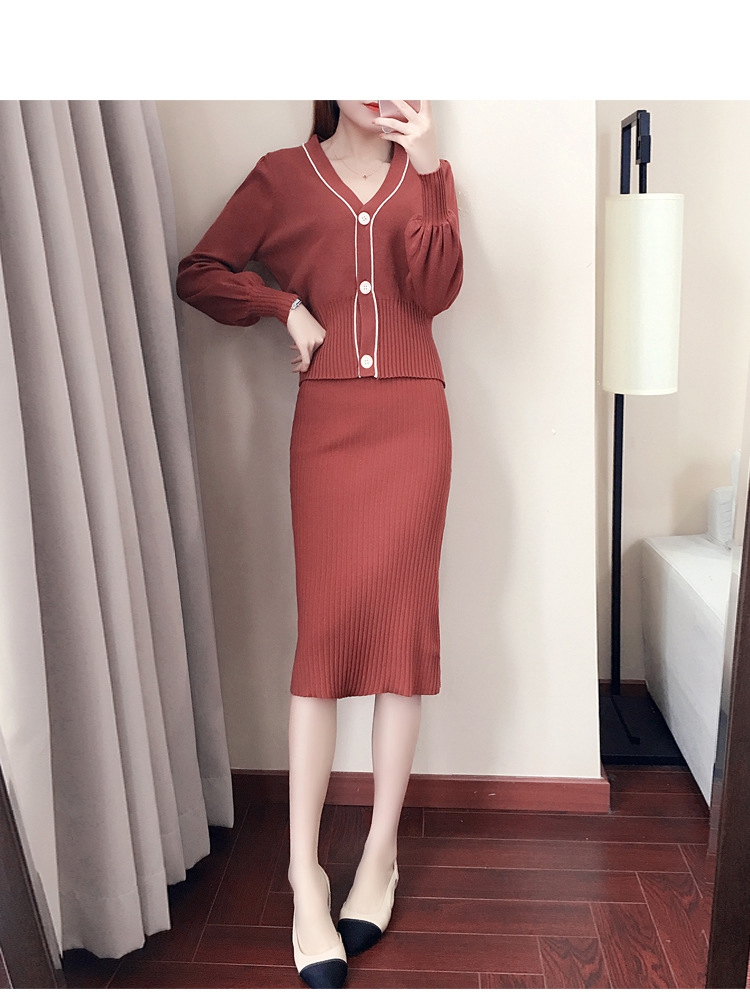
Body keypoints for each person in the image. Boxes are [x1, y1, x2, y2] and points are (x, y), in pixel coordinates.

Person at [176, 100, 463, 989]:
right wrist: (283, 305)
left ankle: (379, 857)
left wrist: (431, 170)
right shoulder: (281, 176)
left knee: (402, 647)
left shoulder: (429, 178)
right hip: (328, 433)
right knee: (324, 648)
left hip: (415, 426)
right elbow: (199, 272)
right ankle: (306, 876)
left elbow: (437, 292)